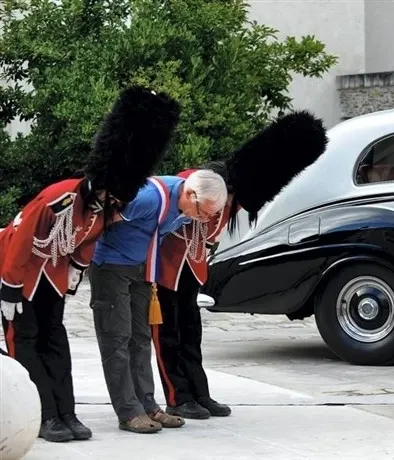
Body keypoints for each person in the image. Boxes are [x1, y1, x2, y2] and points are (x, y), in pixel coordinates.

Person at [0, 86, 180, 442]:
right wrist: (9, 289)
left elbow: (86, 241)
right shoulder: (62, 197)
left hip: (50, 275)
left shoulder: (102, 206)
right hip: (16, 273)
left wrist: (75, 271)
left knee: (55, 339)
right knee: (27, 340)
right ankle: (42, 415)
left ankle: (65, 412)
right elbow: (20, 239)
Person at [152, 111, 328, 419]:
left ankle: (199, 392)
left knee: (191, 334)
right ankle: (177, 397)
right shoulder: (193, 184)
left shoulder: (234, 198)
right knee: (168, 335)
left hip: (191, 270)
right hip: (165, 272)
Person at [88, 169, 227, 434]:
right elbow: (98, 221)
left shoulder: (186, 205)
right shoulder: (148, 198)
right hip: (112, 267)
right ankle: (129, 412)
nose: (204, 219)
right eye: (203, 212)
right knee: (117, 339)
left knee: (141, 338)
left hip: (143, 271)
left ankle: (148, 405)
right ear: (190, 194)